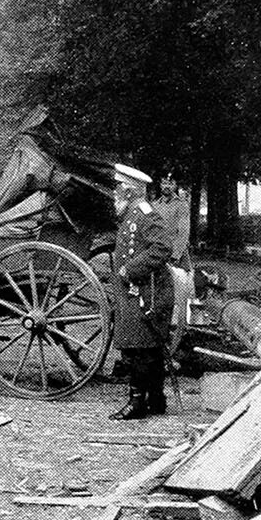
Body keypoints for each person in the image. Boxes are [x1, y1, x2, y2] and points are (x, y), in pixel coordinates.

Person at [110, 163, 174, 420]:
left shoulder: (145, 213)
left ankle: (137, 404)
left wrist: (130, 269)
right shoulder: (132, 213)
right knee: (147, 347)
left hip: (147, 291)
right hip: (138, 292)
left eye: (117, 189)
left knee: (140, 348)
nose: (114, 194)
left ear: (127, 191)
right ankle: (156, 400)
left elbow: (163, 247)